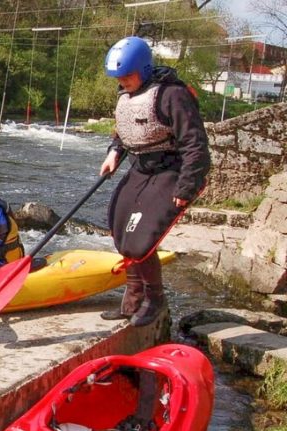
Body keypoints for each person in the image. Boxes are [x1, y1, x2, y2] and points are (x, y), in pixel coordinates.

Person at [98, 36, 210, 327]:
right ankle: (132, 299)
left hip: (169, 170)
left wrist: (187, 186)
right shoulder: (126, 94)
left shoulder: (172, 95)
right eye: (118, 77)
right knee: (119, 226)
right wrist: (113, 153)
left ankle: (155, 300)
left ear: (145, 68)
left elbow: (195, 144)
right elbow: (124, 131)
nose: (123, 80)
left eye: (128, 74)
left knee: (142, 238)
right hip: (140, 169)